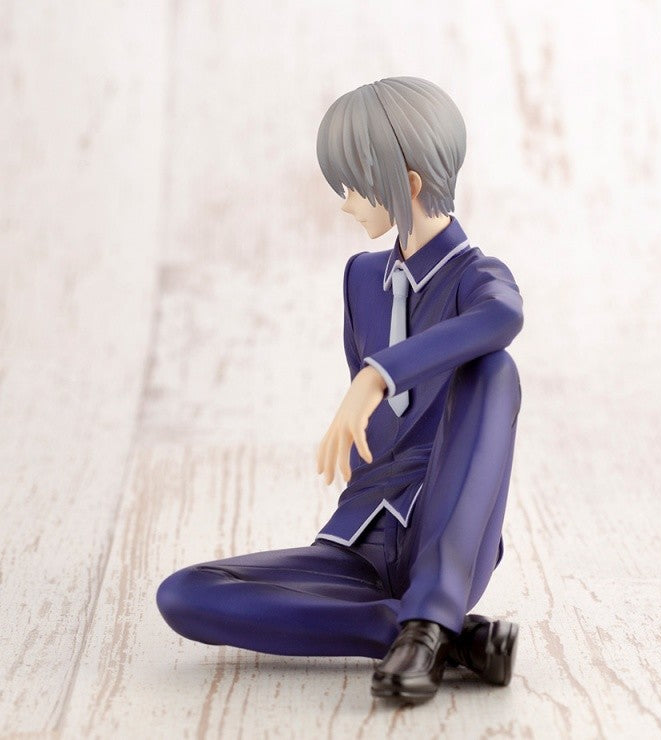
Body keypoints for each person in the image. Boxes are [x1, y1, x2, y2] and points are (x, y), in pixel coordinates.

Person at [156, 76, 524, 704]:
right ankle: (423, 632)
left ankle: (434, 608)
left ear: (407, 183)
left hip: (443, 531)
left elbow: (503, 317)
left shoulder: (476, 278)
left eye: (353, 185)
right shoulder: (361, 278)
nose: (345, 204)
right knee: (186, 594)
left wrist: (378, 373)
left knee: (493, 369)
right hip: (357, 541)